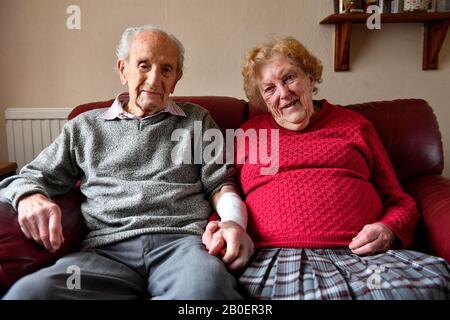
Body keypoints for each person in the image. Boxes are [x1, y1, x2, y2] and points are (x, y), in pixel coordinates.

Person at [0, 25, 253, 300]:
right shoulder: (84, 127)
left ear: (177, 78)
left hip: (182, 246)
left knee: (206, 290)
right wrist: (29, 196)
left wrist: (233, 223)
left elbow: (221, 184)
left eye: (166, 69)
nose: (154, 79)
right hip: (105, 252)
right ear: (123, 70)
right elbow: (28, 176)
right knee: (29, 294)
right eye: (143, 65)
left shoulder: (197, 120)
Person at [203, 36, 450, 299]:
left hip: (362, 254)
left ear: (310, 78)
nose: (283, 94)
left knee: (426, 289)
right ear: (263, 100)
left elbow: (400, 201)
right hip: (274, 257)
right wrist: (221, 228)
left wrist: (389, 229)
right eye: (269, 89)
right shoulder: (248, 135)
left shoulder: (355, 125)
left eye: (289, 78)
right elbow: (225, 193)